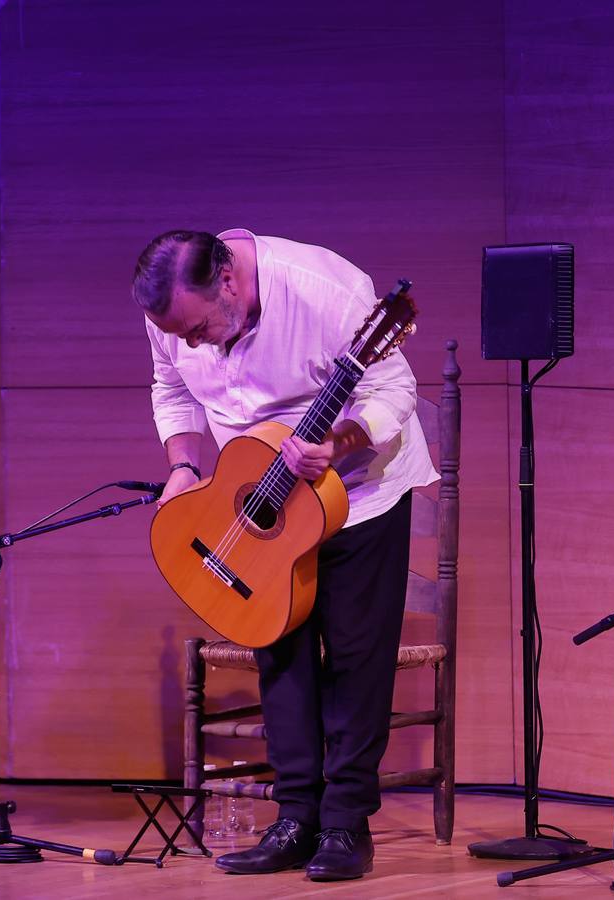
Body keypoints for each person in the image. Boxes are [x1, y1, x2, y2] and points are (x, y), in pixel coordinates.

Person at [132, 229, 437, 881]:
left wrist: (344, 440)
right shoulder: (171, 310)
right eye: (177, 333)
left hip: (358, 488)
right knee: (278, 646)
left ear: (231, 284)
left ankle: (346, 824)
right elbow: (172, 388)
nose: (189, 344)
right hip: (257, 491)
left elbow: (395, 395)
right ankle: (295, 818)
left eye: (198, 329)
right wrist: (185, 466)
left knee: (356, 656)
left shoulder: (326, 291)